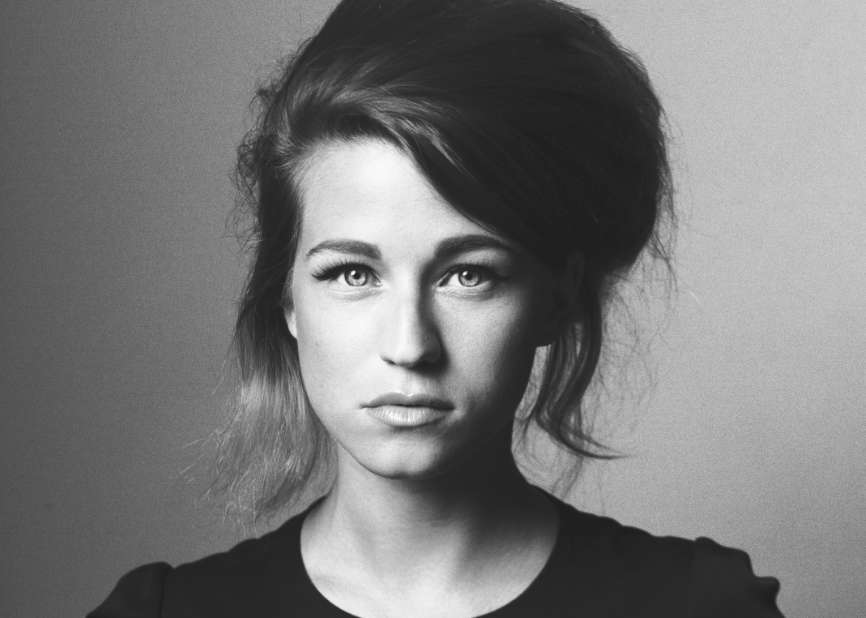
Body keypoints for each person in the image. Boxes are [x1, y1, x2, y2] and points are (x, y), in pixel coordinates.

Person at [89, 0, 783, 616]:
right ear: (287, 299)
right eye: (353, 273)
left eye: (468, 275)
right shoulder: (164, 613)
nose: (410, 344)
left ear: (557, 297)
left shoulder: (698, 608)